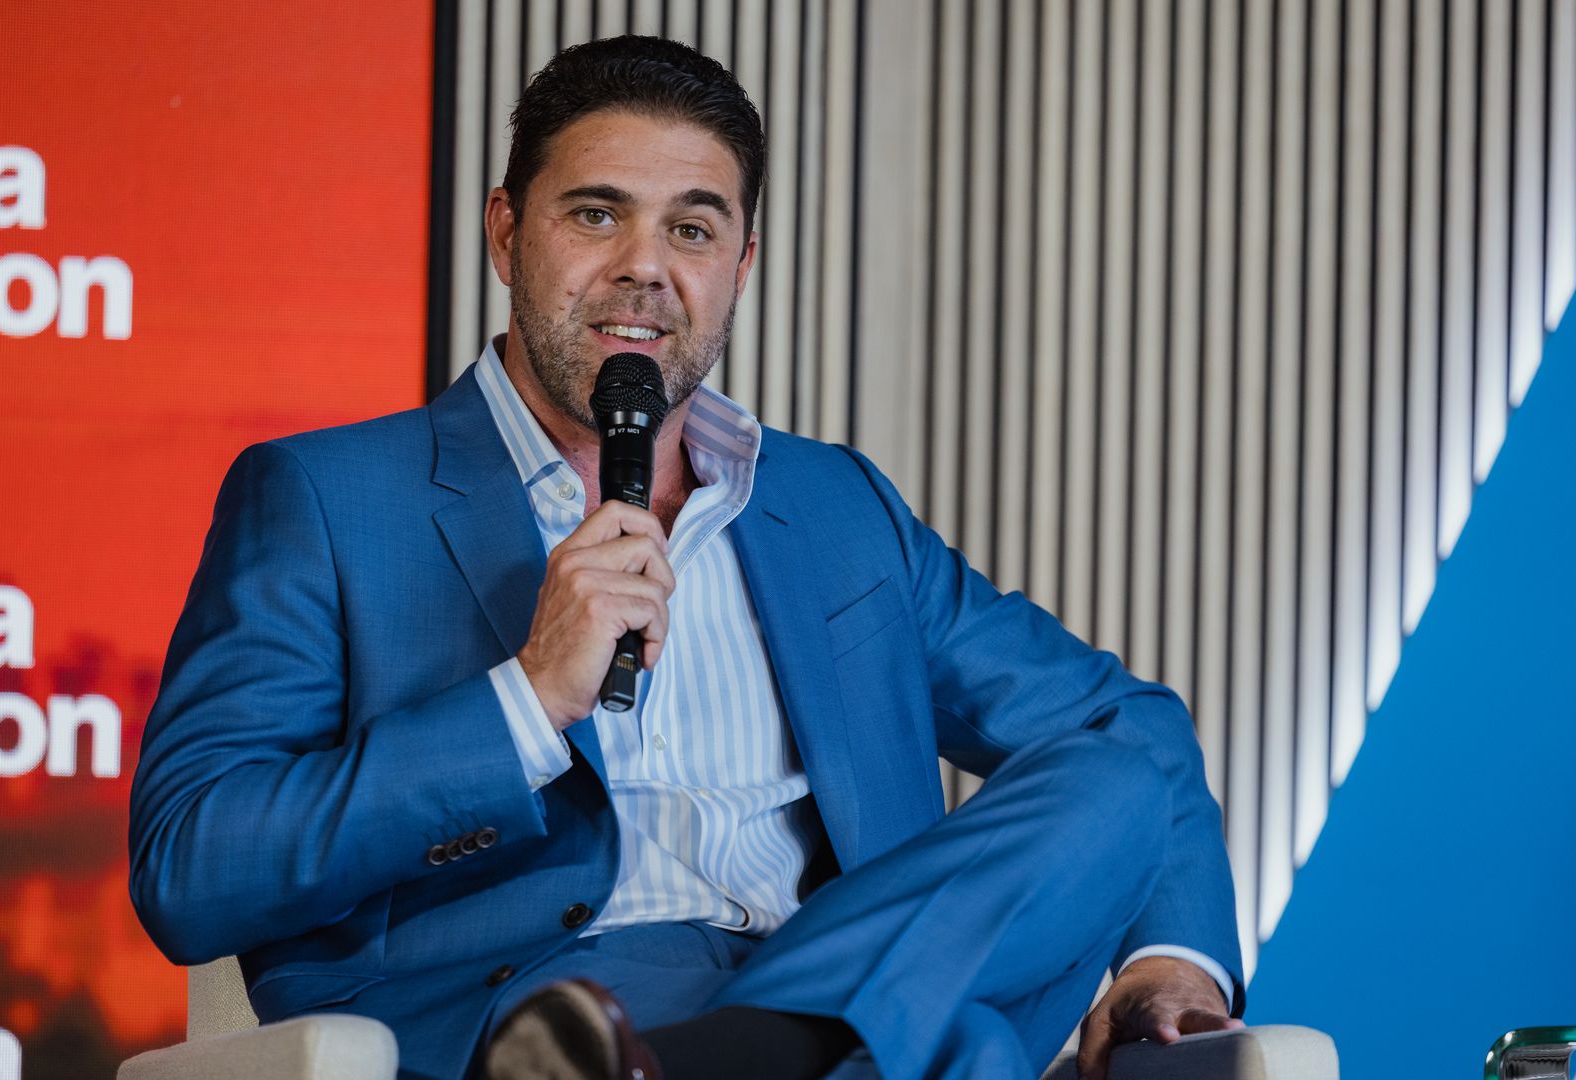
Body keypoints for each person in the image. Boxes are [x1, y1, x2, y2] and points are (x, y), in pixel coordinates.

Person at [128, 35, 1244, 1080]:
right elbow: (190, 865)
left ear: (742, 264)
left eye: (693, 229)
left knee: (1106, 782)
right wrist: (524, 704)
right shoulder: (327, 496)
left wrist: (1172, 961)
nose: (645, 269)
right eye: (598, 216)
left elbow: (1126, 727)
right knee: (952, 1038)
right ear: (508, 233)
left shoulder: (835, 506)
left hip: (851, 993)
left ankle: (724, 1061)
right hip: (552, 1004)